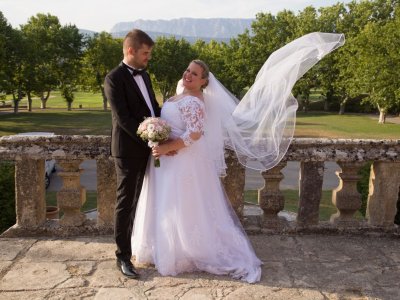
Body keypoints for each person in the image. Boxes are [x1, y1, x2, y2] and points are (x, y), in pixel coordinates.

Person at [131, 32, 345, 283]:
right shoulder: (180, 92)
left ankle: (184, 251)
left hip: (182, 162)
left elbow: (196, 134)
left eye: (194, 74)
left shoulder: (195, 102)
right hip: (168, 160)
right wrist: (157, 135)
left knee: (183, 205)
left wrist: (168, 147)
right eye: (188, 70)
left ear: (203, 82)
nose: (188, 75)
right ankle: (164, 246)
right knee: (168, 204)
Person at [104, 29, 161, 279]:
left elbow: (152, 106)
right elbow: (123, 118)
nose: (148, 57)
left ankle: (148, 248)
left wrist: (163, 128)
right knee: (126, 203)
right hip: (127, 151)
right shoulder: (113, 78)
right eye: (145, 53)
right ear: (131, 51)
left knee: (147, 200)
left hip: (151, 148)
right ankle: (122, 257)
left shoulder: (145, 75)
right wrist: (150, 137)